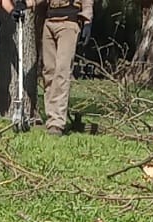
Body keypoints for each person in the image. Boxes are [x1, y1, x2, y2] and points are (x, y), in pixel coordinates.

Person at [37, 0, 92, 135]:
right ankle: (51, 116)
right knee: (48, 72)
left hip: (69, 22)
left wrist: (87, 21)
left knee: (62, 72)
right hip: (49, 21)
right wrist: (25, 4)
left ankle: (57, 122)